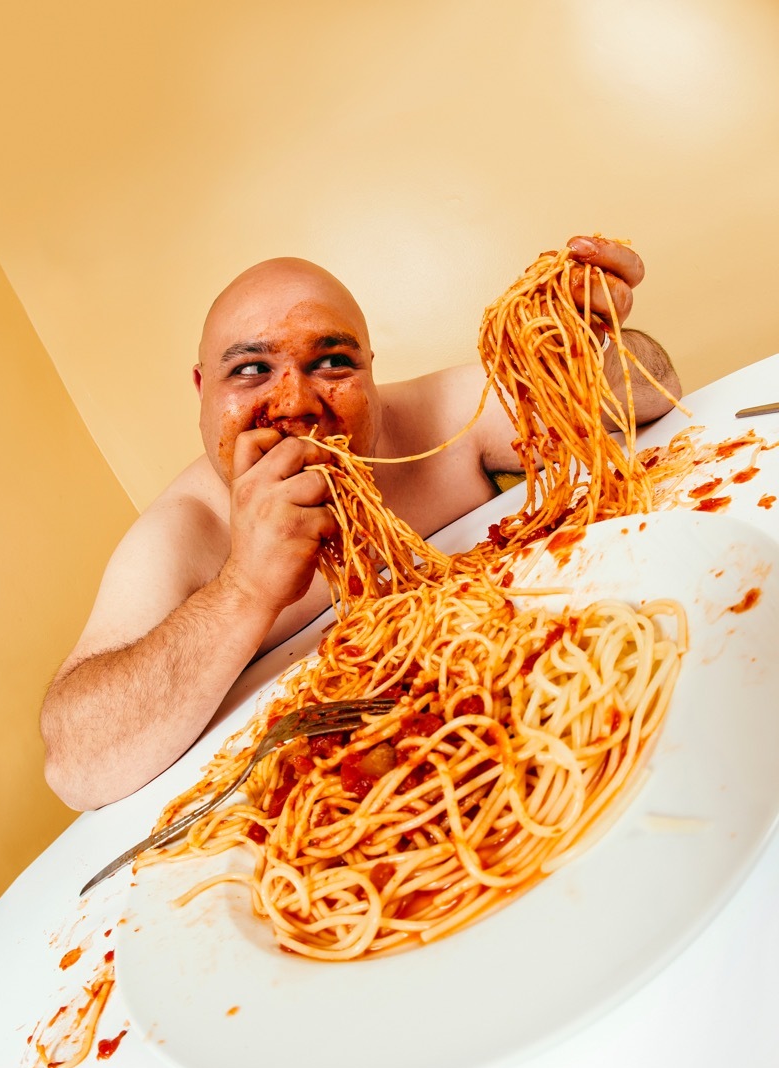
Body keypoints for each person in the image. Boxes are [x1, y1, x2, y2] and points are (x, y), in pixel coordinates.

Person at [40, 235, 681, 812]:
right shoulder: (185, 532)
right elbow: (76, 765)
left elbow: (647, 393)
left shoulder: (439, 418)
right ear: (203, 389)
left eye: (331, 363)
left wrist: (585, 346)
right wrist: (244, 589)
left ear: (370, 373)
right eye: (251, 369)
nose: (295, 403)